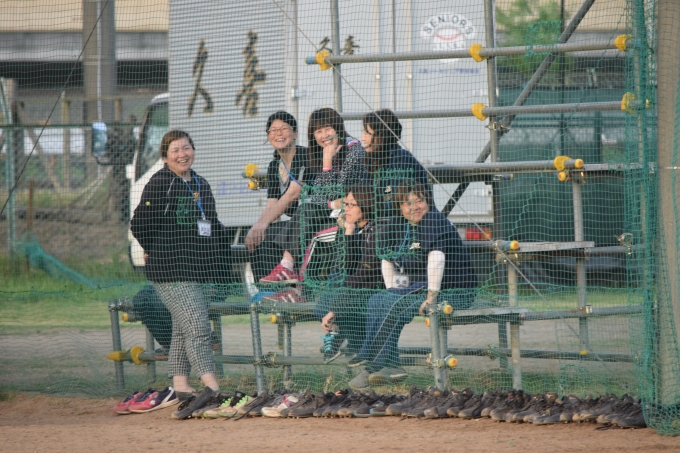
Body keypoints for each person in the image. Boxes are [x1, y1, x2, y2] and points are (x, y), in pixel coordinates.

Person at [130, 130, 229, 415]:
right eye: (175, 150)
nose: (182, 154)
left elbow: (212, 223)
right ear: (165, 156)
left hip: (197, 270)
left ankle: (181, 385)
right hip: (170, 271)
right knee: (198, 327)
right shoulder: (160, 182)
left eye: (186, 148)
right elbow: (139, 224)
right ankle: (212, 387)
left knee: (182, 330)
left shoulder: (200, 183)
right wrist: (152, 248)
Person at [348, 182, 478, 389]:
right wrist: (392, 291)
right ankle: (390, 365)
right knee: (377, 299)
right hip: (418, 289)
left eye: (419, 201)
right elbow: (386, 258)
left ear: (427, 202)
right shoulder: (399, 225)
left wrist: (431, 298)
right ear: (400, 207)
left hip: (452, 292)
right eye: (407, 203)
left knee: (392, 302)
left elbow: (437, 259)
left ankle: (372, 362)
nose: (415, 207)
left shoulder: (433, 221)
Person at [260, 107, 369, 302]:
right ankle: (286, 279)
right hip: (333, 211)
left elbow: (337, 191)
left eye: (327, 129)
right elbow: (320, 196)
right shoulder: (321, 153)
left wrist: (327, 164)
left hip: (353, 213)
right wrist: (331, 201)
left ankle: (293, 282)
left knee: (307, 214)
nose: (324, 135)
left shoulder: (354, 152)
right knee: (298, 218)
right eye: (318, 131)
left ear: (338, 128)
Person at [312, 182, 384, 362]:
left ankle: (337, 333)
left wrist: (335, 308)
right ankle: (336, 332)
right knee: (336, 275)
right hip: (351, 286)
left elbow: (362, 274)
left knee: (339, 281)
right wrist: (349, 231)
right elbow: (344, 265)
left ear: (366, 206)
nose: (347, 209)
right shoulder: (351, 227)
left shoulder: (376, 230)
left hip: (372, 287)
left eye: (352, 205)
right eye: (345, 204)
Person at [245, 111, 311, 280]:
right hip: (293, 225)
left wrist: (262, 224)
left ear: (295, 133)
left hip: (310, 222)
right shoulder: (274, 165)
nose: (278, 134)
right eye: (273, 130)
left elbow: (292, 194)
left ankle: (284, 281)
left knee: (270, 233)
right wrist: (257, 227)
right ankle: (264, 286)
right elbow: (272, 206)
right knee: (259, 237)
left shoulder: (305, 156)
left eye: (284, 128)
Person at [361, 109, 433, 219]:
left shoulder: (402, 160)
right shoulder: (371, 160)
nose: (362, 138)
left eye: (367, 133)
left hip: (405, 225)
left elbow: (397, 205)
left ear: (381, 135)